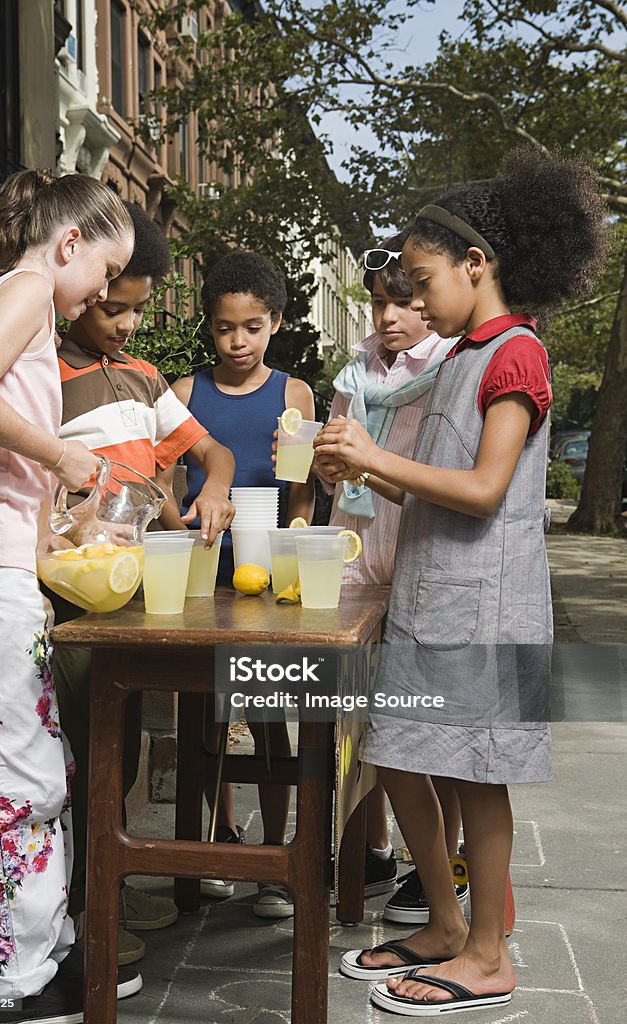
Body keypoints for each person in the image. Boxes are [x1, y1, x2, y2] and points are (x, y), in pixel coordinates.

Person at [315, 147, 607, 1015]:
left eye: (419, 278)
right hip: (429, 594)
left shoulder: (515, 354)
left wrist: (373, 457)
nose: (407, 298)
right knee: (396, 753)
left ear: (475, 265)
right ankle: (443, 925)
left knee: (479, 778)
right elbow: (427, 469)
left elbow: (483, 491)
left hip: (484, 607)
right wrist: (356, 461)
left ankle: (486, 954)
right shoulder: (459, 353)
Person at [0, 169, 142, 1024]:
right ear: (68, 245)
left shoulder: (15, 293)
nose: (101, 293)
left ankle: (45, 950)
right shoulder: (26, 287)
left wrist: (56, 523)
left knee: (38, 769)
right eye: (102, 273)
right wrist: (62, 458)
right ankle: (17, 982)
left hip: (8, 573)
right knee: (13, 775)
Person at [52, 201, 235, 964]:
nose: (127, 324)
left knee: (120, 748)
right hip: (69, 599)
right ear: (84, 287)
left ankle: (109, 888)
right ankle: (82, 910)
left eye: (138, 310)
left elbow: (212, 454)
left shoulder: (143, 376)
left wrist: (208, 490)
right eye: (114, 307)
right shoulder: (45, 375)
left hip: (135, 592)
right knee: (78, 749)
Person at [313, 234, 465, 916]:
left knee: (427, 724)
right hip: (355, 556)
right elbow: (336, 459)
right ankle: (368, 851)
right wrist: (328, 464)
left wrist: (366, 460)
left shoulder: (449, 372)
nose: (388, 319)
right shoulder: (355, 374)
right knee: (356, 717)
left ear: (430, 303)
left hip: (415, 555)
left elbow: (433, 481)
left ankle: (438, 866)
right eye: (377, 304)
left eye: (403, 303)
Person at [172, 250, 316, 918]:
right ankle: (219, 836)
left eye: (252, 327)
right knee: (203, 710)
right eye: (226, 327)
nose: (238, 340)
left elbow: (302, 491)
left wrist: (293, 549)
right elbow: (166, 483)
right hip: (200, 574)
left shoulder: (292, 396)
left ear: (275, 324)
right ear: (209, 325)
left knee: (265, 711)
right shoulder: (183, 393)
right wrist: (178, 522)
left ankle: (274, 854)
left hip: (265, 581)